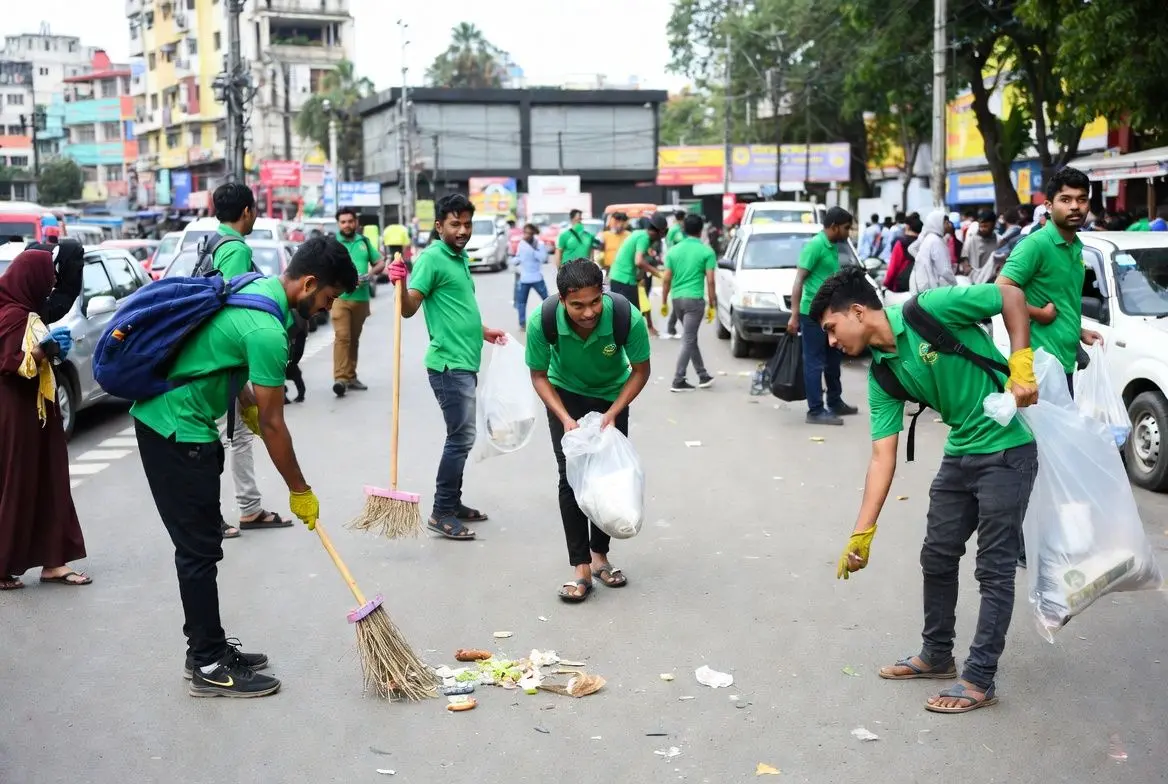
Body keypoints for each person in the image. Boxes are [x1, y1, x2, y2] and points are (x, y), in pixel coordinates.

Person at [133, 236, 357, 697]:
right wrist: (300, 489)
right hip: (176, 429)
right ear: (310, 282)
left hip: (178, 423)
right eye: (327, 299)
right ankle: (208, 663)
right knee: (198, 552)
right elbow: (275, 426)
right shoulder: (267, 331)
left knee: (203, 546)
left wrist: (247, 406)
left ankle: (211, 646)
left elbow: (222, 360)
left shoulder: (255, 288)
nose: (323, 309)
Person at [812, 266, 1040, 715]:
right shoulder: (883, 376)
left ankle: (978, 678)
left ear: (858, 312)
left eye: (832, 329)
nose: (832, 342)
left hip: (1007, 451)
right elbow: (882, 457)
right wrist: (862, 533)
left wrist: (1021, 362)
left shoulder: (928, 309)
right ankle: (937, 655)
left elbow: (1010, 297)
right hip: (960, 453)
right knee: (936, 554)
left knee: (993, 569)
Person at [525, 260, 651, 602]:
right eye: (577, 305)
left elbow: (640, 370)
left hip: (612, 395)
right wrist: (564, 417)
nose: (588, 312)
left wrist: (613, 411)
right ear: (563, 299)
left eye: (595, 301)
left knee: (607, 476)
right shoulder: (543, 320)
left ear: (603, 292)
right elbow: (539, 375)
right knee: (570, 477)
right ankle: (580, 566)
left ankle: (600, 556)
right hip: (564, 394)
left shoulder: (627, 317)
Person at [387, 194, 506, 542]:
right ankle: (441, 512)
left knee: (462, 437)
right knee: (461, 438)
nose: (463, 230)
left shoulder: (459, 258)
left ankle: (452, 503)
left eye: (467, 224)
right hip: (447, 364)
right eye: (455, 224)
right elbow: (409, 309)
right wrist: (401, 282)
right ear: (439, 226)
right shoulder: (433, 258)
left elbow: (457, 308)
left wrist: (483, 332)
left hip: (465, 360)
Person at [0, 246, 90, 591]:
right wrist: (43, 351)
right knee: (18, 484)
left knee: (50, 481)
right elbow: (11, 364)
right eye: (47, 281)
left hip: (37, 410)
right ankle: (4, 564)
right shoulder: (11, 314)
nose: (50, 287)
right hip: (18, 414)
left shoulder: (26, 312)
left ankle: (54, 560)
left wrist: (51, 352)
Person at [203, 183, 289, 537]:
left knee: (226, 437)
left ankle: (245, 506)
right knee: (232, 438)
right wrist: (240, 382)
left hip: (211, 355)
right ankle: (241, 509)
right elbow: (232, 307)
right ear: (248, 211)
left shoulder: (212, 241)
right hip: (222, 359)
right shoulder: (235, 248)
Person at [998, 166, 1103, 397]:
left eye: (1081, 200)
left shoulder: (1075, 246)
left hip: (1063, 364)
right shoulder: (1035, 245)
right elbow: (999, 292)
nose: (1075, 206)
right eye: (1065, 199)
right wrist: (1039, 314)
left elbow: (1060, 298)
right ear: (1048, 206)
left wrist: (1079, 331)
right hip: (1038, 367)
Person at [786, 206, 858, 426]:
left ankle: (835, 401)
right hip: (813, 314)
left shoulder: (833, 245)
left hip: (830, 314)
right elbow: (799, 280)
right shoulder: (816, 246)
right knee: (815, 363)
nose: (849, 232)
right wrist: (794, 315)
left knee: (834, 359)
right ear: (834, 227)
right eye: (847, 228)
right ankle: (815, 410)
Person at [331, 207, 384, 397]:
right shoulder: (332, 243)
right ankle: (340, 379)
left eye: (350, 221)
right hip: (339, 299)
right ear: (338, 224)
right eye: (343, 222)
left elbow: (380, 262)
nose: (347, 225)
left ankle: (351, 376)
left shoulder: (364, 242)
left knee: (353, 340)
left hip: (361, 299)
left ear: (356, 223)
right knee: (342, 337)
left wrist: (370, 274)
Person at [661, 213, 716, 392]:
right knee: (689, 338)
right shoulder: (707, 251)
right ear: (701, 231)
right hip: (694, 301)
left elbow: (666, 279)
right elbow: (710, 281)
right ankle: (678, 379)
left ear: (684, 229)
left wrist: (663, 301)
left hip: (677, 300)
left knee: (690, 338)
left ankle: (702, 374)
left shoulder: (673, 251)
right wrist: (713, 304)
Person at [608, 213, 668, 328]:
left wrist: (640, 278)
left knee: (627, 313)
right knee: (631, 315)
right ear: (658, 232)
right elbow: (639, 261)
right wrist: (659, 274)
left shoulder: (639, 234)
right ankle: (627, 341)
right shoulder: (644, 238)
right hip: (624, 279)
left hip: (619, 277)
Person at [908, 210, 957, 293]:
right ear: (938, 223)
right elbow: (944, 270)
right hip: (928, 288)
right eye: (946, 223)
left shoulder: (931, 238)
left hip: (922, 285)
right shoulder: (935, 241)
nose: (949, 225)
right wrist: (955, 285)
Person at [513, 222, 549, 330]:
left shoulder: (539, 244)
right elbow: (518, 257)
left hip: (536, 277)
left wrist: (532, 251)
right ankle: (522, 323)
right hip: (524, 278)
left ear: (533, 233)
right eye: (525, 233)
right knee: (521, 302)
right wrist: (514, 260)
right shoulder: (521, 244)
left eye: (529, 233)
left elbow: (543, 258)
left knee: (547, 300)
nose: (526, 235)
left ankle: (552, 318)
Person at [662, 210, 688, 338]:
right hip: (677, 265)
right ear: (682, 219)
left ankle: (671, 326)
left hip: (674, 263)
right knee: (678, 296)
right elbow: (680, 244)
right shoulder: (677, 231)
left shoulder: (674, 230)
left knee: (678, 297)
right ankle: (675, 326)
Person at [883, 214, 922, 293]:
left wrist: (886, 284)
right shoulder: (924, 242)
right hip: (920, 284)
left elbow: (893, 267)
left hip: (902, 285)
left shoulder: (901, 243)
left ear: (907, 226)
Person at [960, 208, 999, 284]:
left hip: (993, 282)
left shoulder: (999, 240)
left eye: (986, 226)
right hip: (976, 283)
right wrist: (970, 272)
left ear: (994, 225)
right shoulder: (971, 241)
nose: (983, 229)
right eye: (981, 226)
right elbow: (964, 260)